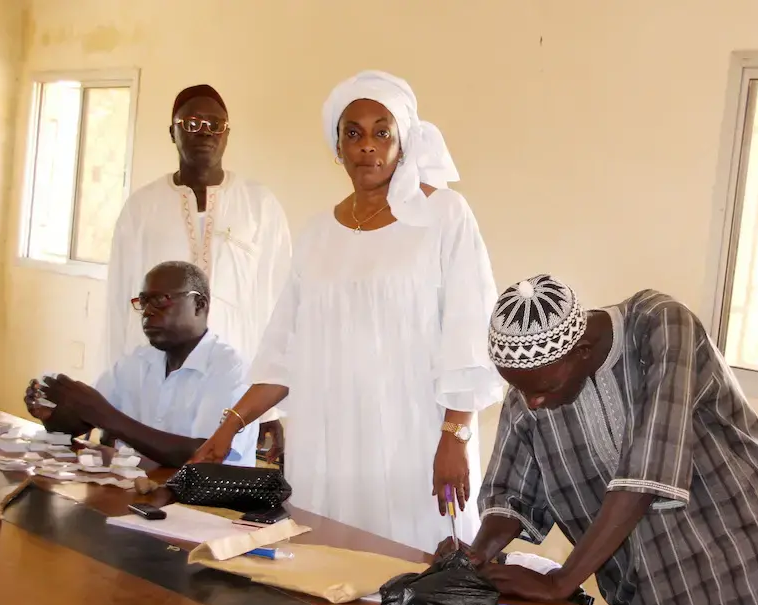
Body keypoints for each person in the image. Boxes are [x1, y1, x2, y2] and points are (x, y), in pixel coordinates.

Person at [191, 70, 505, 552]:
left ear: (404, 143)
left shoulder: (443, 216)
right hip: (328, 440)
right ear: (337, 148)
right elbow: (284, 352)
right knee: (330, 574)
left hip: (413, 436)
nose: (367, 146)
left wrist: (456, 434)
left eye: (383, 132)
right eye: (352, 133)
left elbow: (469, 328)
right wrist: (229, 426)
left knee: (413, 571)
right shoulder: (318, 234)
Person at [440, 275, 758, 605]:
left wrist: (562, 581)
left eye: (543, 389)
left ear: (582, 350)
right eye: (519, 389)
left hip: (737, 540)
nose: (532, 402)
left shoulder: (661, 325)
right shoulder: (533, 384)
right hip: (645, 573)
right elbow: (511, 492)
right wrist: (476, 554)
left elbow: (648, 466)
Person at [105, 84, 290, 454]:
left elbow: (280, 308)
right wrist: (112, 410)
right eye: (191, 122)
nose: (204, 130)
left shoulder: (260, 206)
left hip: (233, 386)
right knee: (141, 488)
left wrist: (272, 410)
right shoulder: (141, 209)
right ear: (172, 132)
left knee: (216, 494)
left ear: (227, 134)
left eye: (215, 123)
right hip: (153, 381)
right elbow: (116, 308)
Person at [26, 261, 259, 468]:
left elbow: (205, 455)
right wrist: (53, 415)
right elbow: (79, 423)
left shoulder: (230, 369)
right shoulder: (137, 362)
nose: (147, 312)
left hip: (209, 508)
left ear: (199, 304)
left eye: (160, 300)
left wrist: (106, 416)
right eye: (144, 301)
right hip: (146, 496)